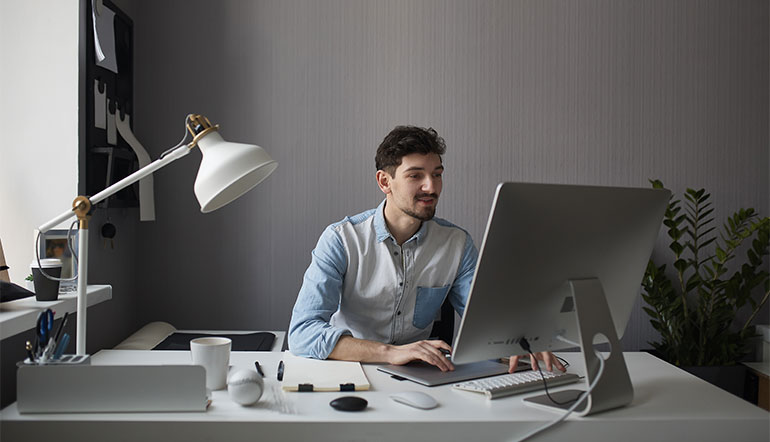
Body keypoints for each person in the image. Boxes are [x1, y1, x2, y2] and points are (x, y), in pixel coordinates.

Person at [288, 125, 564, 373]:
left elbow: (485, 322)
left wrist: (522, 337)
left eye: (437, 174)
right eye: (415, 176)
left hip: (421, 375)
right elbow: (303, 333)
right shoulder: (341, 239)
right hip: (352, 370)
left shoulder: (457, 244)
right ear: (385, 182)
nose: (431, 187)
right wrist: (392, 353)